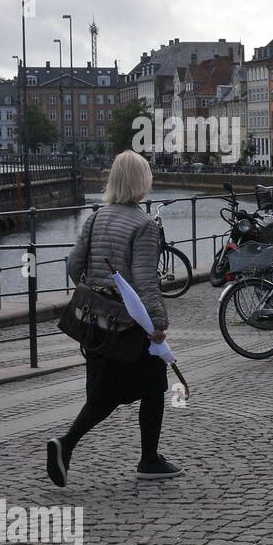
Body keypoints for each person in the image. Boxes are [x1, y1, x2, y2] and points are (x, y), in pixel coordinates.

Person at [46, 151, 181, 486]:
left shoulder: (95, 218)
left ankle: (143, 458)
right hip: (127, 325)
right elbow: (146, 281)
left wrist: (95, 287)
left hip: (95, 322)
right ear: (142, 181)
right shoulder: (145, 225)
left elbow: (74, 265)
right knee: (147, 386)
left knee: (112, 391)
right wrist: (159, 323)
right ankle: (77, 446)